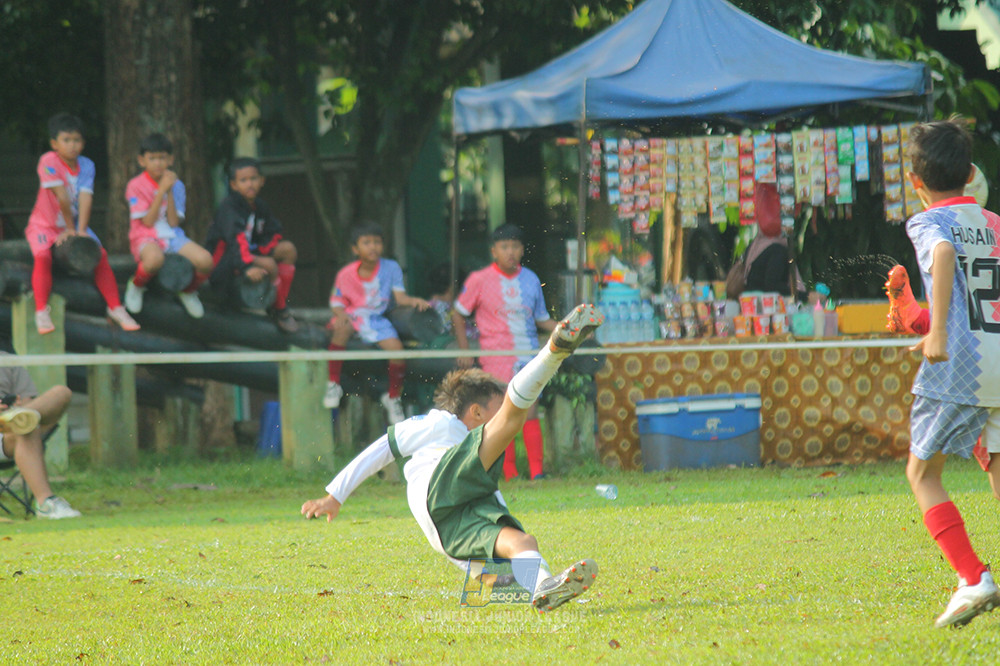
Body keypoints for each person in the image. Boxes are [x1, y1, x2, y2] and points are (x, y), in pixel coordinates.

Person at [302, 304, 604, 612]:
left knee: (523, 544)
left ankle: (544, 588)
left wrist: (480, 577)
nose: (499, 416)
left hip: (449, 525)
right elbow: (384, 447)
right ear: (475, 412)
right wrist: (335, 494)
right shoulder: (440, 424)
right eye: (495, 410)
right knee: (514, 419)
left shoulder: (478, 468)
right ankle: (554, 350)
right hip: (438, 488)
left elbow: (479, 510)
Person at [901, 118, 1000, 628]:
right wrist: (919, 316)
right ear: (969, 172)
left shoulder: (926, 224)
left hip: (960, 366)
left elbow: (941, 256)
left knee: (922, 473)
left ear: (915, 182)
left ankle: (972, 576)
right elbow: (974, 299)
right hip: (999, 357)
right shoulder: (992, 221)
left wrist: (935, 332)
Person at [451, 224, 556, 481]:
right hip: (496, 356)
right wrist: (464, 350)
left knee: (530, 410)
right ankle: (509, 472)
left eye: (515, 246)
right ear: (493, 251)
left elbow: (542, 319)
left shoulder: (531, 279)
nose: (511, 252)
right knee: (502, 413)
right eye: (504, 246)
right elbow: (458, 313)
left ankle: (537, 473)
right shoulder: (479, 279)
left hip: (529, 354)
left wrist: (568, 330)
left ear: (522, 250)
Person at [25, 113, 139, 335]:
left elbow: (86, 198)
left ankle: (115, 307)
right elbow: (62, 197)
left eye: (77, 140)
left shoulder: (87, 165)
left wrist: (81, 230)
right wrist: (69, 230)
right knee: (42, 256)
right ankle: (41, 311)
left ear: (83, 143)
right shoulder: (48, 161)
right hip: (44, 225)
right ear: (54, 143)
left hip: (75, 223)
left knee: (100, 255)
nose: (72, 145)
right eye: (66, 140)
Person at [324, 223, 430, 424]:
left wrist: (413, 301)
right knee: (341, 329)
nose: (372, 247)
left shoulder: (391, 268)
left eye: (377, 242)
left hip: (376, 320)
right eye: (366, 243)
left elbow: (400, 297)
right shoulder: (345, 274)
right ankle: (333, 382)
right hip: (352, 316)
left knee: (396, 350)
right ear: (355, 249)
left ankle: (393, 397)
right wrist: (340, 315)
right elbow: (336, 302)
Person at [123, 133, 214, 319]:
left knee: (205, 261)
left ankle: (188, 290)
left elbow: (173, 222)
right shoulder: (135, 185)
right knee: (155, 260)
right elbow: (147, 222)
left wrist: (169, 191)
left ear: (170, 159)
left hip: (172, 235)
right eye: (152, 158)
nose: (158, 163)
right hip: (144, 235)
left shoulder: (177, 185)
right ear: (142, 161)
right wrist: (161, 191)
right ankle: (136, 286)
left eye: (162, 158)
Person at [203, 157, 299, 333]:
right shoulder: (229, 207)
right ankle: (279, 310)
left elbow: (274, 231)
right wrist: (247, 267)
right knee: (269, 265)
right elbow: (234, 240)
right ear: (233, 185)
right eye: (243, 180)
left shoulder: (260, 206)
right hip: (225, 261)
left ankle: (278, 303)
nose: (250, 184)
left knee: (288, 249)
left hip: (246, 254)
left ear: (262, 181)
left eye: (253, 179)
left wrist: (261, 251)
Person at [0, 354, 79, 519]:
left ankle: (16, 417)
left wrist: (20, 407)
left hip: (12, 430)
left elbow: (29, 401)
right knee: (27, 426)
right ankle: (46, 502)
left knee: (61, 392)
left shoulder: (8, 361)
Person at [738, 183, 806, 299]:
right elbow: (772, 287)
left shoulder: (755, 247)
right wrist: (806, 297)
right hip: (765, 312)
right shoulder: (778, 251)